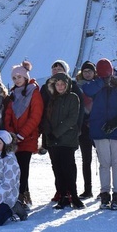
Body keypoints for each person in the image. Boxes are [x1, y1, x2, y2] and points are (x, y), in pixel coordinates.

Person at [82, 58, 117, 210]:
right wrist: (102, 81)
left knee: (116, 163)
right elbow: (87, 90)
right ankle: (105, 194)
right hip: (99, 130)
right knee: (105, 164)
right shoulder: (95, 85)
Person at [3, 61, 43, 208]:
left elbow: (36, 116)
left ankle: (21, 197)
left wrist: (21, 134)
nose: (17, 80)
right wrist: (11, 133)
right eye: (14, 78)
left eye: (19, 76)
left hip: (28, 138)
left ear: (26, 77)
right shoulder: (13, 94)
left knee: (23, 167)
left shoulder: (34, 92)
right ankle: (20, 193)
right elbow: (8, 115)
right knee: (14, 168)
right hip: (14, 139)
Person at [43, 72, 84, 210]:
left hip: (66, 140)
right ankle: (63, 197)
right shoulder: (52, 99)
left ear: (67, 85)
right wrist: (48, 132)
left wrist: (56, 133)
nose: (60, 87)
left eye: (62, 84)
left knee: (68, 168)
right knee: (58, 169)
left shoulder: (73, 98)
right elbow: (47, 117)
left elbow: (72, 119)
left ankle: (74, 195)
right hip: (53, 141)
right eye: (58, 84)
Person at [75, 61, 97, 199]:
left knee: (104, 160)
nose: (87, 73)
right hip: (84, 127)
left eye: (90, 71)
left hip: (97, 125)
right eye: (85, 71)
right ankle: (87, 189)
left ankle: (105, 190)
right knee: (86, 159)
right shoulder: (78, 87)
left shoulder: (99, 85)